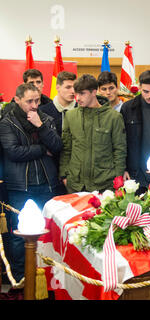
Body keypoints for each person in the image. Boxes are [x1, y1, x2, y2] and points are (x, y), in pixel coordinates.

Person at [0, 83, 62, 282]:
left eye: (37, 100)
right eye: (29, 101)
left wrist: (40, 127)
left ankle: (47, 278)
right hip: (20, 186)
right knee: (20, 235)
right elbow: (14, 152)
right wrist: (42, 150)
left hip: (46, 184)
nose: (34, 105)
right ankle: (20, 278)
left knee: (47, 234)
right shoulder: (7, 122)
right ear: (17, 100)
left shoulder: (46, 119)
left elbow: (57, 146)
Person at [59, 74, 126, 193]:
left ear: (94, 92)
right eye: (76, 94)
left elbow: (119, 151)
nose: (78, 98)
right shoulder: (70, 116)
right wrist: (64, 176)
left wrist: (118, 180)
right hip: (75, 184)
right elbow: (66, 149)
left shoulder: (113, 117)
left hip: (105, 185)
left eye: (82, 93)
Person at [40, 71, 77, 137]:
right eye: (68, 87)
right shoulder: (43, 111)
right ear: (58, 87)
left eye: (74, 87)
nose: (73, 91)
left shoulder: (82, 109)